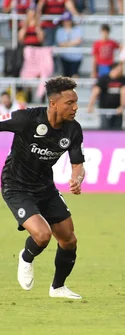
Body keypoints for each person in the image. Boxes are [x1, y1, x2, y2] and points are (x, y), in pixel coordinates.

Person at [0, 76, 85, 299]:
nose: (75, 107)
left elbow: (78, 164)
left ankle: (58, 288)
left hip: (45, 187)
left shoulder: (73, 130)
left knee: (69, 240)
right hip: (15, 185)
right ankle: (26, 257)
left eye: (76, 102)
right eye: (70, 103)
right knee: (42, 235)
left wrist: (77, 179)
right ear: (53, 103)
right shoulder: (26, 118)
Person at [87, 63, 125, 130]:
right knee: (105, 129)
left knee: (117, 131)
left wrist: (122, 106)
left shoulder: (123, 79)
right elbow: (96, 91)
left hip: (117, 110)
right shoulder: (104, 78)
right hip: (104, 109)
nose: (120, 71)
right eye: (119, 69)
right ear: (113, 69)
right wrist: (90, 106)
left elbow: (124, 92)